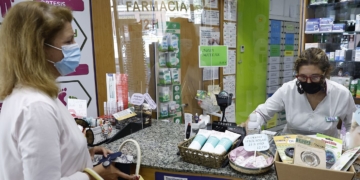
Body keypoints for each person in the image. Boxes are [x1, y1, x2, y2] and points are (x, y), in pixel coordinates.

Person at [0, 2, 136, 180]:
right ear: (40, 49)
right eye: (68, 41)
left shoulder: (29, 96)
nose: (76, 46)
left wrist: (83, 156)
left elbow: (47, 160)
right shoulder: (36, 107)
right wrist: (95, 175)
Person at [246, 48, 356, 137]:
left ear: (325, 73)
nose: (308, 82)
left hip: (327, 151)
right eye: (303, 77)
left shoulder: (342, 95)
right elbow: (262, 113)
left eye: (315, 77)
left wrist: (351, 144)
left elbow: (353, 125)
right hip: (289, 149)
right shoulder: (288, 90)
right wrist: (251, 125)